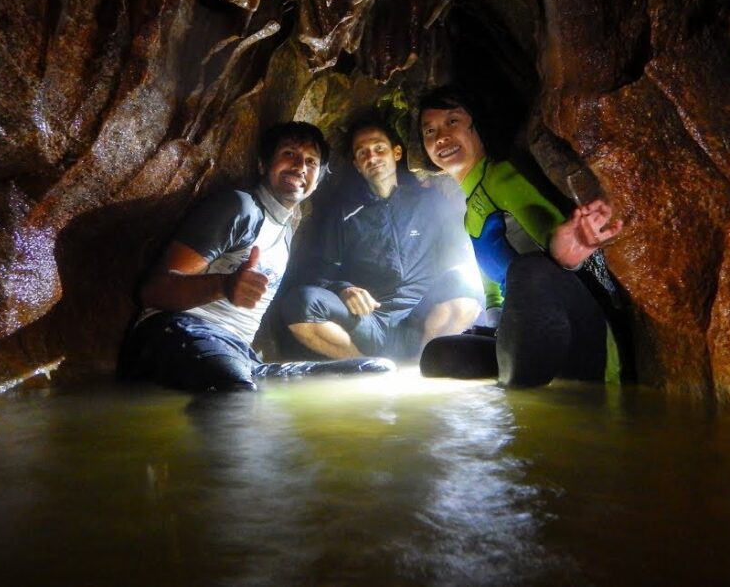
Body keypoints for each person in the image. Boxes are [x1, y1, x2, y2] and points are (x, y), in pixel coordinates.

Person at [118, 121, 394, 392]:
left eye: (311, 162)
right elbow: (153, 291)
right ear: (263, 165)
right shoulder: (240, 208)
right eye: (289, 154)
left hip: (236, 350)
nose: (300, 167)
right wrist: (222, 285)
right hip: (174, 333)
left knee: (373, 371)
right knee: (237, 391)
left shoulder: (286, 232)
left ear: (318, 180)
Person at [417, 86, 631, 386]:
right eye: (430, 130)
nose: (441, 136)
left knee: (528, 270)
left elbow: (547, 231)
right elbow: (492, 291)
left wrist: (564, 251)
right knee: (439, 356)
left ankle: (518, 400)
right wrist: (495, 328)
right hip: (524, 336)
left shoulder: (501, 176)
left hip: (575, 328)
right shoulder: (470, 216)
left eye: (452, 122)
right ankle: (514, 381)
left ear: (476, 124)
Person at [277, 114, 484, 363]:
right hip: (369, 320)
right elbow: (320, 273)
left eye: (379, 148)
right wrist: (344, 289)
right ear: (356, 164)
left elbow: (459, 254)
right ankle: (370, 366)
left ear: (396, 153)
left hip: (424, 318)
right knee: (299, 303)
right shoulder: (344, 213)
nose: (372, 157)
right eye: (362, 153)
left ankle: (423, 363)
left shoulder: (430, 202)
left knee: (468, 285)